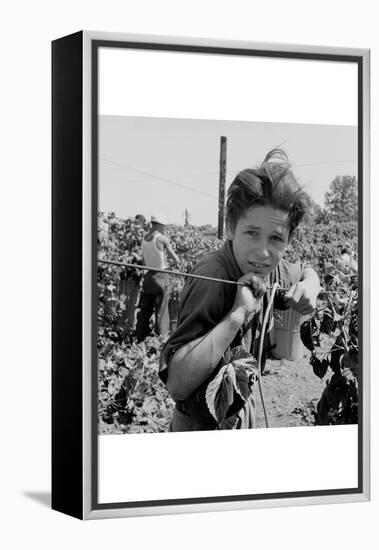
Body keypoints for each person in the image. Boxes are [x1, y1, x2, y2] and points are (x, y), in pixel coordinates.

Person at [159, 148, 321, 431]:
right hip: (202, 425)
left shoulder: (270, 268)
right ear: (231, 227)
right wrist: (236, 315)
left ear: (288, 239)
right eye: (252, 233)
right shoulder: (212, 277)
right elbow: (177, 384)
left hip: (242, 410)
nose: (263, 251)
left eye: (275, 238)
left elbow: (302, 269)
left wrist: (311, 282)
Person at [135, 213, 181, 341]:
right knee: (162, 309)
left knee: (145, 309)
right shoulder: (162, 239)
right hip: (161, 277)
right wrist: (178, 264)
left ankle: (140, 336)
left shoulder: (144, 238)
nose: (164, 228)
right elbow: (175, 258)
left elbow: (144, 262)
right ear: (159, 225)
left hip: (148, 277)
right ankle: (162, 338)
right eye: (163, 226)